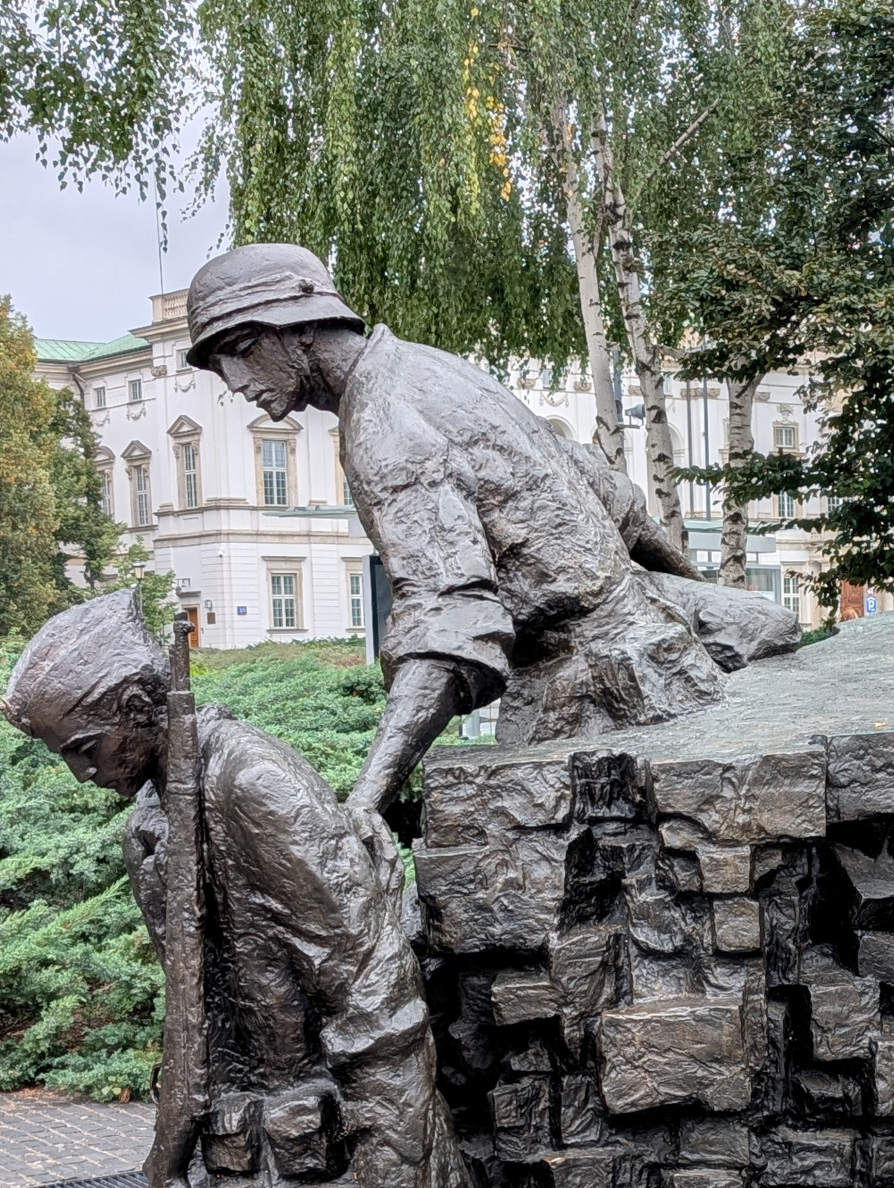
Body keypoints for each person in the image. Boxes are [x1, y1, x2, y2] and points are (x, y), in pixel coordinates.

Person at [2, 591, 493, 1188]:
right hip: (243, 1154)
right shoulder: (151, 818)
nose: (80, 773)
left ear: (137, 707)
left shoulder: (255, 783)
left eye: (85, 747)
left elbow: (378, 1006)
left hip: (334, 1157)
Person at [182, 245, 796, 839]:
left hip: (586, 682)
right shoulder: (428, 367)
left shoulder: (381, 427)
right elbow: (611, 494)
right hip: (649, 617)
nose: (234, 382)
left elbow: (449, 623)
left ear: (300, 328)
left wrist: (365, 801)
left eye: (241, 350)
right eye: (218, 366)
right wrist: (691, 594)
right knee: (769, 626)